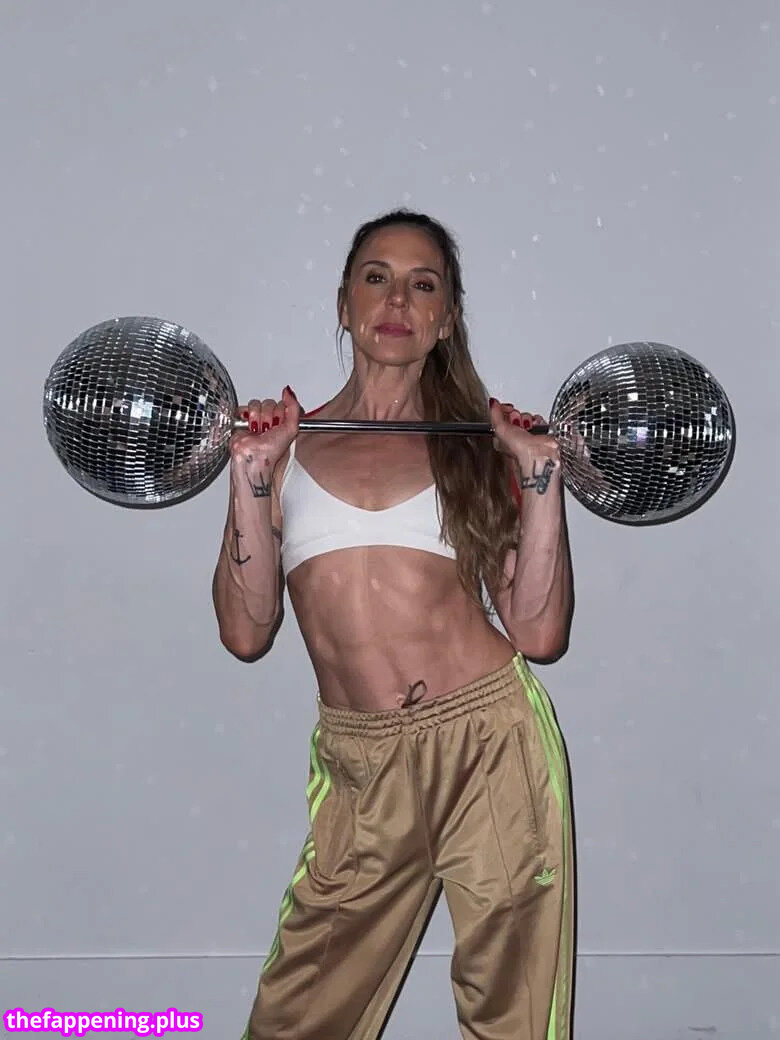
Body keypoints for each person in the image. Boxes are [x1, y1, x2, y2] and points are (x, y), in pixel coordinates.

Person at [212, 210, 575, 1040]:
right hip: (362, 760)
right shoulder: (285, 451)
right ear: (345, 305)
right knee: (300, 1015)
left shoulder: (474, 449)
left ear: (445, 318)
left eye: (423, 284)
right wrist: (250, 477)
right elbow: (245, 632)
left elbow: (541, 634)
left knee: (513, 1014)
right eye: (376, 278)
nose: (398, 300)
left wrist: (540, 481)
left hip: (490, 742)